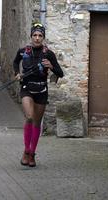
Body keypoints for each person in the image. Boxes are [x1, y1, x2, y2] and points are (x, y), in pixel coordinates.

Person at [13, 23, 64, 167]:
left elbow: (60, 73)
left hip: (41, 90)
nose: (37, 38)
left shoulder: (48, 53)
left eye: (40, 35)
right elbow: (16, 62)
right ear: (31, 36)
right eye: (34, 35)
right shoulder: (23, 51)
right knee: (29, 117)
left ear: (43, 37)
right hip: (26, 88)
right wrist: (17, 73)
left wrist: (51, 66)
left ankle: (32, 154)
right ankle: (26, 151)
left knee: (36, 122)